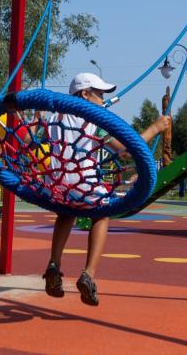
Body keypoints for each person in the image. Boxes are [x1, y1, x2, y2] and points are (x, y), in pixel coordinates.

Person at [43, 72, 170, 306]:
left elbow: (39, 138)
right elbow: (125, 150)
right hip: (84, 182)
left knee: (66, 214)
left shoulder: (54, 117)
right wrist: (155, 128)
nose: (102, 100)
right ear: (84, 94)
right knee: (101, 215)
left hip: (57, 184)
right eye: (99, 94)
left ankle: (54, 263)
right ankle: (89, 274)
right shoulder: (94, 122)